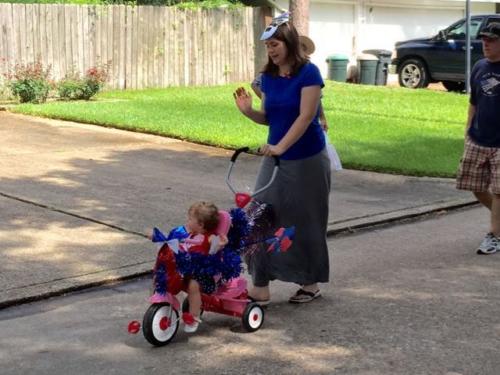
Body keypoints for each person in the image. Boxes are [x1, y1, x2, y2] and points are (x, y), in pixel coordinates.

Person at [233, 13, 331, 304]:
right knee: (259, 216)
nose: (271, 51)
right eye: (267, 47)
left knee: (306, 219)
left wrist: (279, 147)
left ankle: (310, 283)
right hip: (276, 157)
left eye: (275, 44)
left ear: (288, 43)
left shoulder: (308, 73)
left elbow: (305, 117)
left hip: (307, 158)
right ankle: (260, 285)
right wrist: (248, 111)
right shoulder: (267, 78)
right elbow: (271, 118)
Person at [149, 201, 228, 333]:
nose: (187, 221)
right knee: (161, 272)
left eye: (190, 219)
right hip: (185, 269)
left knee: (193, 286)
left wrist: (219, 244)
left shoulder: (208, 237)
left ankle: (194, 317)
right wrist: (156, 236)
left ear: (201, 224)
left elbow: (214, 246)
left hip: (204, 274)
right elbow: (170, 240)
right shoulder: (186, 234)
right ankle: (160, 298)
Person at [456, 22, 500, 255]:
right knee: (474, 186)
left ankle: (494, 235)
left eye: (492, 40)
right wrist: (467, 131)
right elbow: (473, 103)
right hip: (478, 137)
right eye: (484, 39)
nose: (486, 44)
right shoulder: (479, 67)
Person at [251, 34, 329, 130]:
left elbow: (317, 100)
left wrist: (322, 118)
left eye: (304, 49)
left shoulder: (310, 71)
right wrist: (274, 100)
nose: (301, 51)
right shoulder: (272, 72)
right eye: (300, 47)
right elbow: (255, 84)